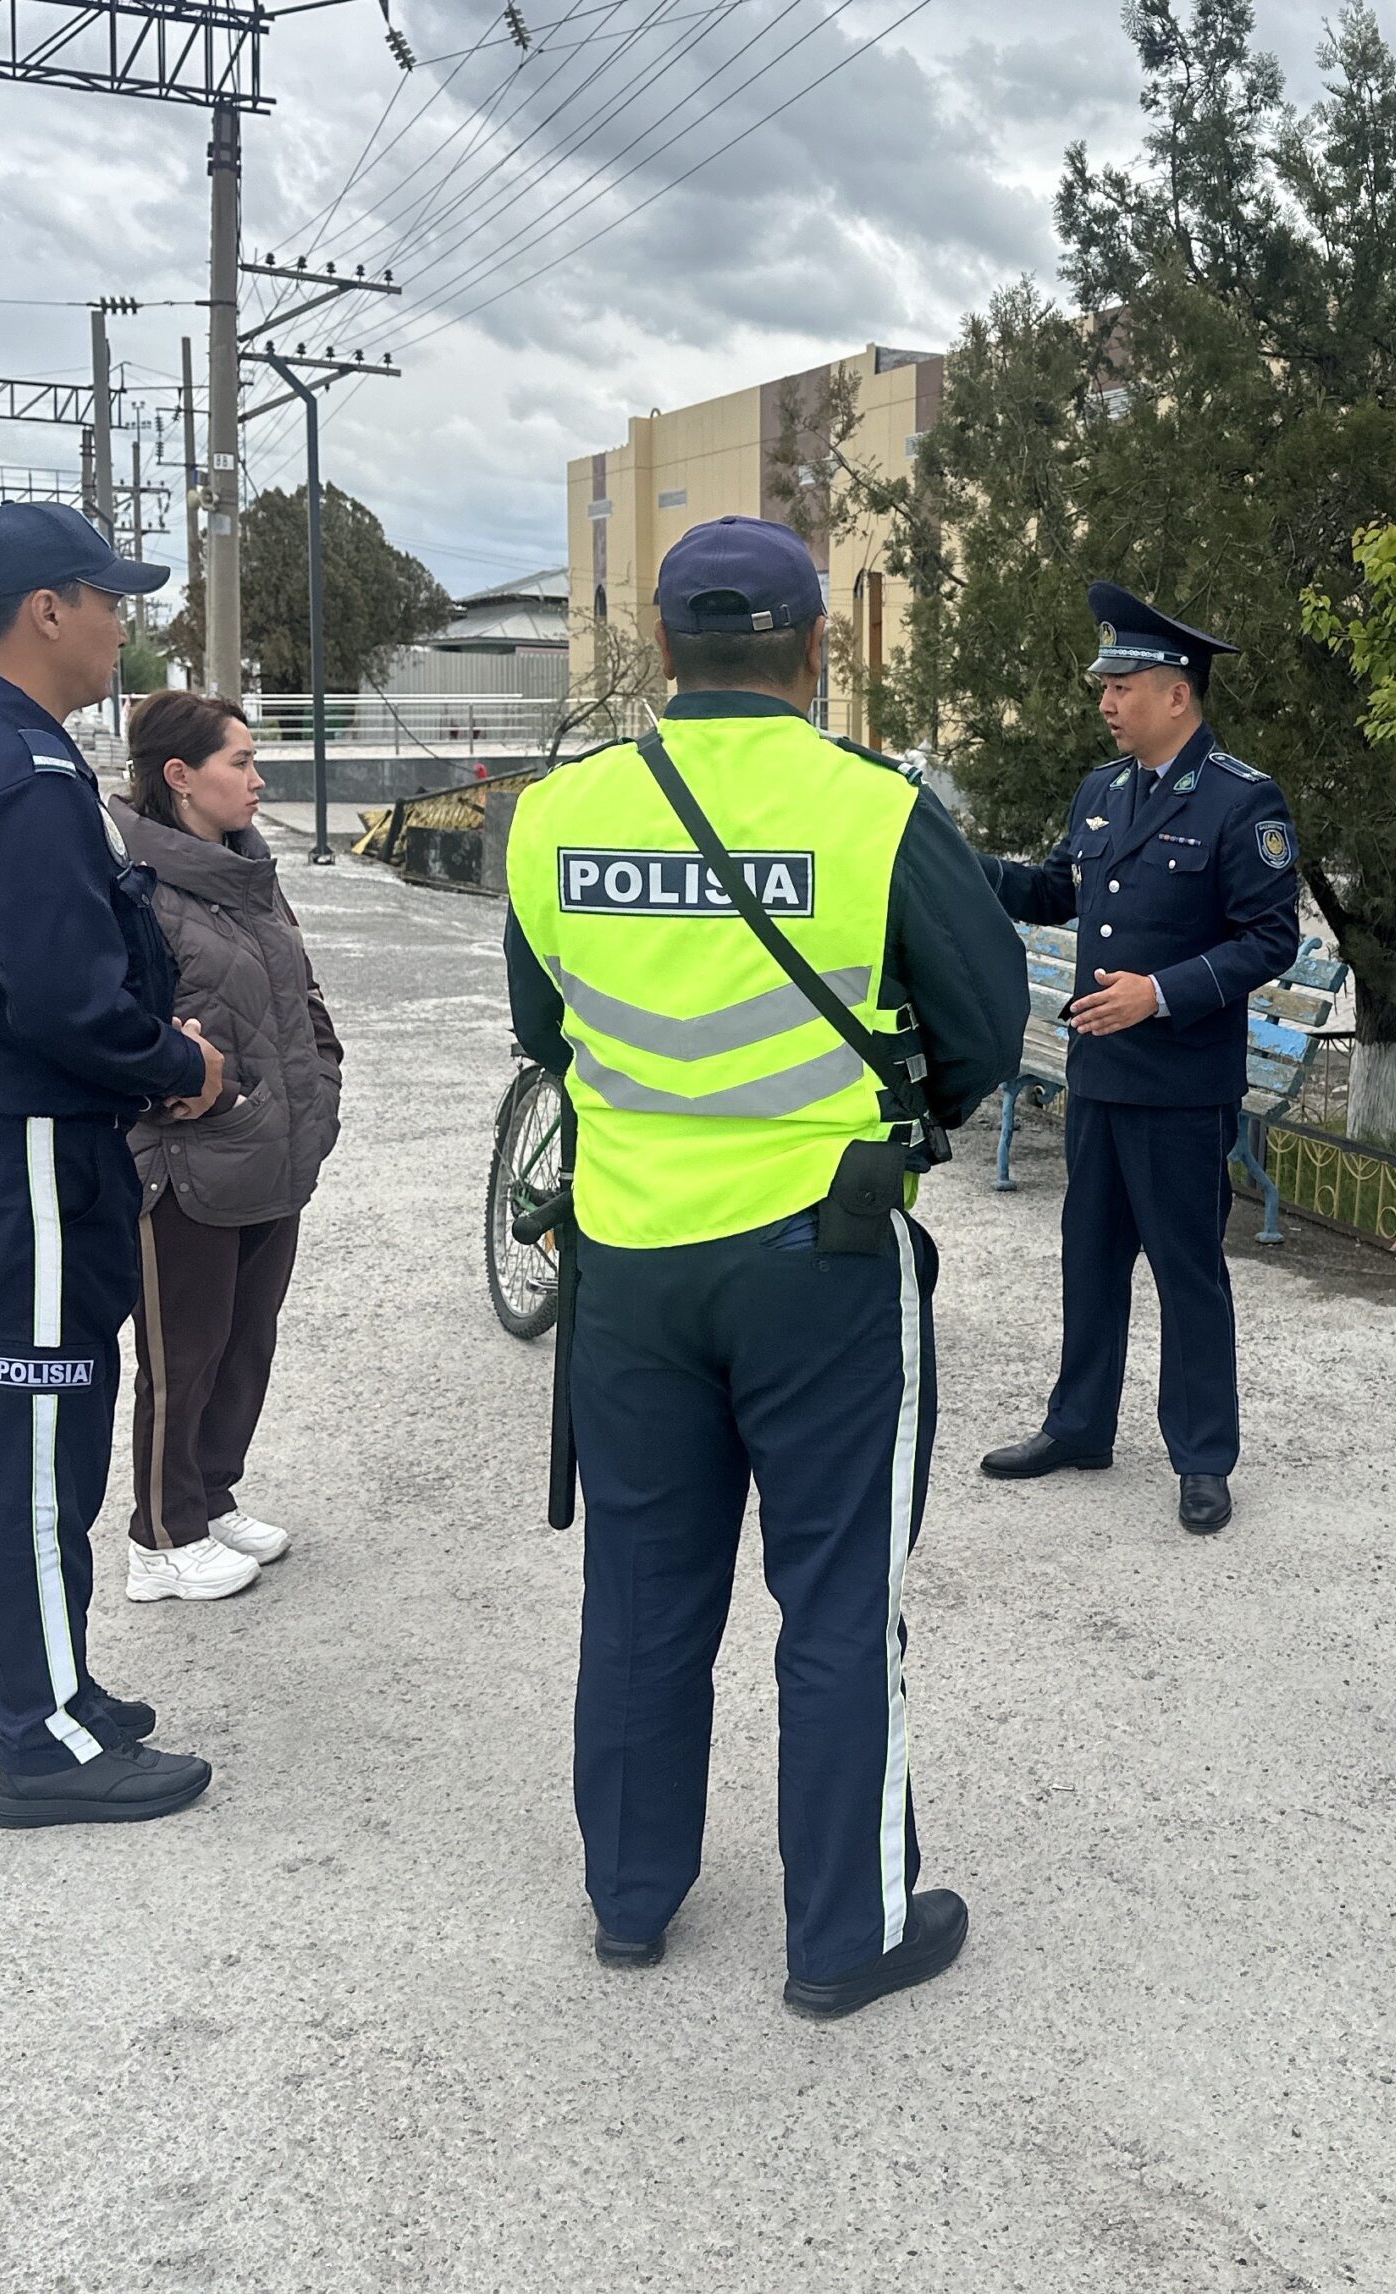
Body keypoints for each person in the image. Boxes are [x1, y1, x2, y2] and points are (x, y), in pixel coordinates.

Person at [503, 515, 1026, 2016]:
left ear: (662, 646)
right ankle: (844, 1932)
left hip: (629, 1261)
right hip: (823, 1257)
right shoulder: (872, 807)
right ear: (816, 647)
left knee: (642, 1591)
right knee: (840, 1596)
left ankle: (630, 1897)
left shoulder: (557, 814)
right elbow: (988, 1021)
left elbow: (547, 1034)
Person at [0, 499, 222, 1828]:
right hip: (29, 1147)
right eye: (109, 598)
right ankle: (43, 1737)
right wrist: (179, 1064)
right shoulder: (23, 775)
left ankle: (29, 1679)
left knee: (10, 1425)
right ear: (48, 609)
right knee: (39, 1433)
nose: (121, 623)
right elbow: (65, 1003)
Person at [977, 584, 1302, 1533]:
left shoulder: (1244, 800)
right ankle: (1078, 1425)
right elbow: (1053, 889)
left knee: (1187, 1271)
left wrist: (1158, 992)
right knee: (1090, 1258)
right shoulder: (1101, 791)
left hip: (1180, 1083)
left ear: (1178, 693)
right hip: (1101, 1075)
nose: (1106, 701)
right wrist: (964, 866)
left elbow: (1268, 939)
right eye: (1104, 684)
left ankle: (1203, 1456)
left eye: (1123, 683)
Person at [112, 692, 343, 1603]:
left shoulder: (248, 871)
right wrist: (226, 1098)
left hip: (273, 1151)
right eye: (240, 763)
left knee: (247, 1343)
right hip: (186, 1162)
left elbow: (300, 990)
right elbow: (130, 1029)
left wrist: (320, 1083)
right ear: (180, 777)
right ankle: (159, 1537)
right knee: (183, 1352)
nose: (258, 779)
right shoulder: (134, 884)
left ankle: (210, 1497)